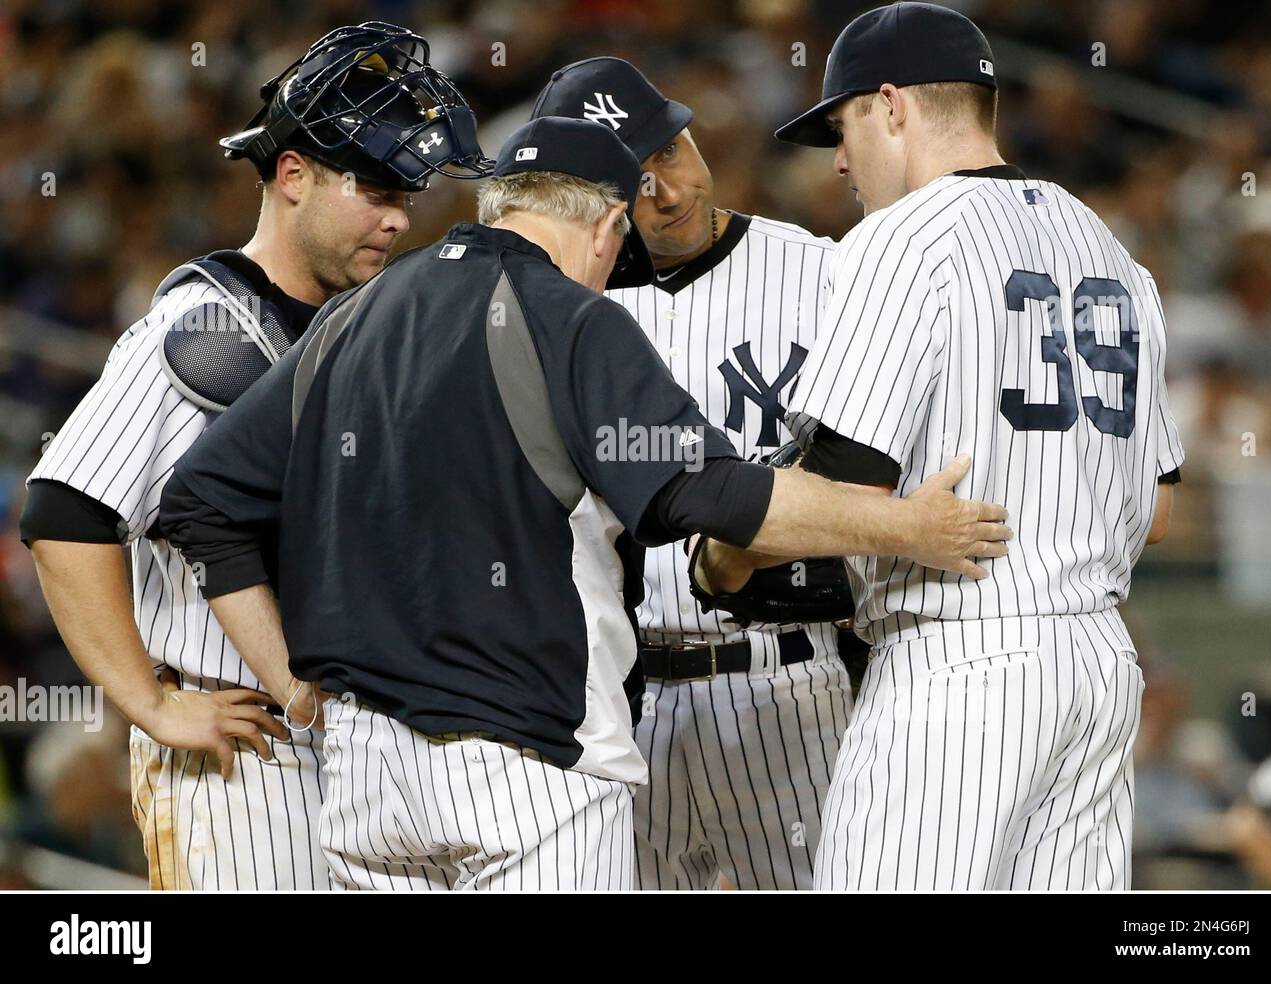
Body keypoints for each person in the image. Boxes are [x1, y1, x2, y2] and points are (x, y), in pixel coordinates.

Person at [154, 115, 1012, 891]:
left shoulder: (352, 317)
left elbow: (199, 501)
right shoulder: (569, 317)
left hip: (364, 784)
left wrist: (298, 691)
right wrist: (904, 524)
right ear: (604, 223)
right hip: (528, 774)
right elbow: (708, 491)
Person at [696, 1, 1185, 891]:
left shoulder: (904, 237)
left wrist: (722, 558)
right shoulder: (1111, 246)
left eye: (842, 128)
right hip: (1101, 668)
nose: (838, 160)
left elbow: (847, 487)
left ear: (891, 105)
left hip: (961, 664)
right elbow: (1159, 513)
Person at [18, 21, 491, 890]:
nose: (397, 216)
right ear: (294, 175)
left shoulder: (363, 327)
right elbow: (62, 513)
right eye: (377, 187)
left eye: (407, 194)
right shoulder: (201, 329)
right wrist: (155, 705)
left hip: (372, 748)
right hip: (248, 760)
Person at [531, 57, 859, 890]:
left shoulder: (824, 273)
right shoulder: (563, 305)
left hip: (792, 684)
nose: (666, 191)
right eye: (633, 181)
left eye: (670, 154)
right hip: (624, 701)